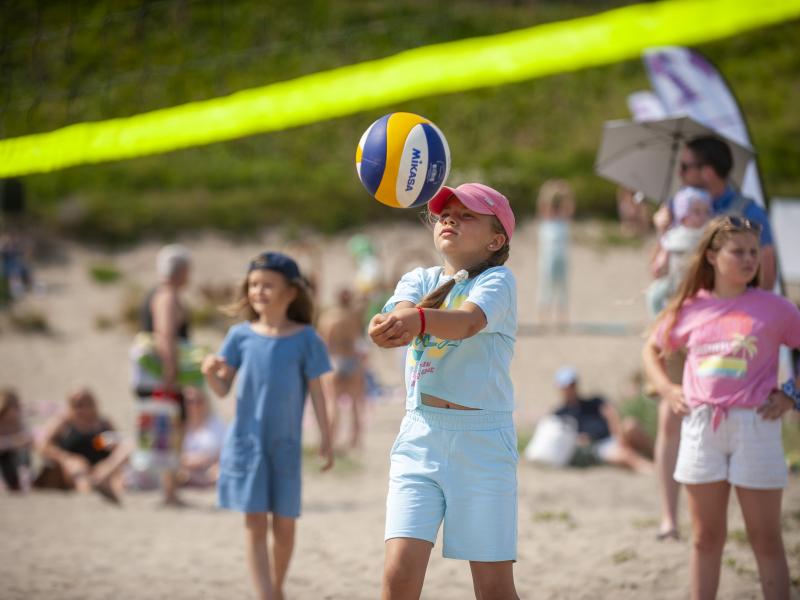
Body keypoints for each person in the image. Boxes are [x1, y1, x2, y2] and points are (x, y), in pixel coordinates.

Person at [369, 182, 520, 599]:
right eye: (444, 213)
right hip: (420, 438)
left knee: (492, 587)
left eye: (467, 214)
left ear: (496, 239)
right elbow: (394, 316)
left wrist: (415, 322)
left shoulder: (497, 282)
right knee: (398, 575)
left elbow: (467, 322)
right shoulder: (418, 279)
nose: (449, 218)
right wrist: (385, 327)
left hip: (482, 445)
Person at [643, 216, 800, 599]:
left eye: (754, 252)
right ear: (712, 256)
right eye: (738, 251)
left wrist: (792, 392)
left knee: (765, 539)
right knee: (705, 538)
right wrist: (666, 388)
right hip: (701, 429)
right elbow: (652, 348)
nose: (749, 260)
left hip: (756, 426)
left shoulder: (776, 308)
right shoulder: (689, 308)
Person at [650, 135, 778, 542]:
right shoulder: (676, 206)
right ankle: (669, 519)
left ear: (707, 171)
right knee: (670, 416)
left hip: (732, 335)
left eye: (686, 167)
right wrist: (663, 233)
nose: (681, 175)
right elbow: (659, 273)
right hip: (681, 325)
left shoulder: (748, 213)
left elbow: (768, 276)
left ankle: (727, 516)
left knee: (727, 423)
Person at [201, 251, 333, 600]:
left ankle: (276, 588)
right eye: (253, 284)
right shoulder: (238, 336)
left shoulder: (307, 339)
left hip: (285, 447)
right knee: (255, 523)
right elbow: (222, 388)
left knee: (285, 526)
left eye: (267, 285)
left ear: (291, 292)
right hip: (246, 444)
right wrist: (210, 373)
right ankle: (267, 596)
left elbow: (319, 394)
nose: (258, 291)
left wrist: (327, 440)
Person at [134, 243, 192, 506]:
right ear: (181, 271)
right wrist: (171, 372)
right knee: (168, 428)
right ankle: (168, 491)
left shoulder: (155, 293)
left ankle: (169, 490)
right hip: (161, 377)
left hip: (150, 376)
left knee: (161, 429)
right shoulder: (167, 295)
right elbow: (165, 334)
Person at [37, 387, 130, 504]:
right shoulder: (64, 422)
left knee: (117, 463)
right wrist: (64, 457)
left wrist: (113, 448)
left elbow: (121, 444)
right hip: (73, 468)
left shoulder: (104, 423)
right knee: (78, 466)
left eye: (88, 403)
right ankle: (89, 495)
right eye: (79, 405)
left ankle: (109, 489)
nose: (85, 409)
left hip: (102, 468)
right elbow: (43, 445)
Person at [552, 366, 653, 473]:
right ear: (560, 388)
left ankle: (658, 454)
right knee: (625, 455)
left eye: (572, 385)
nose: (571, 389)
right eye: (567, 386)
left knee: (630, 425)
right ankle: (651, 469)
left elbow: (611, 413)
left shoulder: (594, 401)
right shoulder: (560, 414)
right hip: (598, 447)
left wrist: (618, 434)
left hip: (613, 435)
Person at [646, 186, 712, 317]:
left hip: (699, 283)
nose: (703, 216)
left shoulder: (708, 235)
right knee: (654, 294)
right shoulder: (673, 236)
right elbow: (662, 261)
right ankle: (658, 321)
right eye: (697, 212)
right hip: (674, 280)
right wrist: (660, 264)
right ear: (683, 216)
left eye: (706, 212)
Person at [318, 288, 368, 450]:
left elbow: (323, 343)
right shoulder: (353, 317)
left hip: (334, 361)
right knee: (355, 404)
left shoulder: (327, 318)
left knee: (332, 403)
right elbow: (357, 340)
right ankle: (355, 440)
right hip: (351, 360)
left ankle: (330, 441)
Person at [535, 179, 575, 327]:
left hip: (562, 258)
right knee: (546, 286)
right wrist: (550, 190)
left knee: (563, 287)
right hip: (547, 259)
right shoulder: (546, 222)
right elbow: (543, 204)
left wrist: (565, 192)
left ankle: (562, 319)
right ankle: (543, 318)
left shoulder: (563, 221)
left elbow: (569, 207)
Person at [178, 385, 226, 488]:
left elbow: (223, 450)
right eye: (190, 402)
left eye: (198, 401)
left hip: (210, 467)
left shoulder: (215, 423)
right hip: (184, 468)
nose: (194, 406)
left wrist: (206, 460)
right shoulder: (179, 426)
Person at [0, 388, 32, 492]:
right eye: (13, 405)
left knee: (22, 453)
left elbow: (26, 439)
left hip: (12, 457)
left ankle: (23, 482)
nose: (16, 408)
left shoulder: (19, 421)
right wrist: (12, 442)